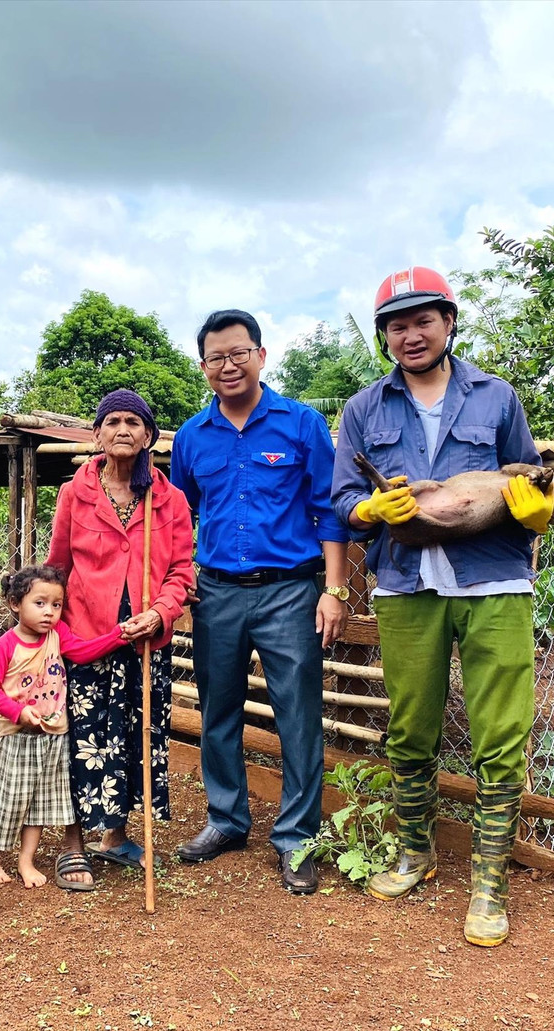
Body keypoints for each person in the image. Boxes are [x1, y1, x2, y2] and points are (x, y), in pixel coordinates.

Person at [330, 266, 552, 947]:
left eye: (424, 318)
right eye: (397, 323)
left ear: (449, 322)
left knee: (500, 732)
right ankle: (415, 850)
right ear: (384, 337)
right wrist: (370, 506)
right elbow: (341, 500)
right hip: (405, 584)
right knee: (413, 725)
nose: (411, 333)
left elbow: (529, 474)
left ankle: (489, 880)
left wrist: (533, 502)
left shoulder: (496, 397)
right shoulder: (365, 409)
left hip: (493, 581)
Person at [169, 309, 351, 894]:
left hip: (290, 591)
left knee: (298, 716)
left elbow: (328, 509)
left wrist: (333, 589)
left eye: (238, 353)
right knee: (217, 711)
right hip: (215, 591)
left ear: (261, 355)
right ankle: (226, 821)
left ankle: (298, 839)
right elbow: (181, 512)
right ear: (203, 367)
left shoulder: (301, 424)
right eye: (216, 357)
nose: (228, 365)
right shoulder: (193, 437)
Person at [45, 389, 195, 883]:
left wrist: (160, 613)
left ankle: (115, 834)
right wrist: (55, 628)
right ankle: (72, 843)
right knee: (80, 737)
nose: (123, 429)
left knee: (137, 732)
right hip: (87, 635)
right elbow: (58, 567)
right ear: (97, 434)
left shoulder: (168, 497)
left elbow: (180, 572)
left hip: (145, 639)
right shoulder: (75, 492)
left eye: (135, 422)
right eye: (113, 421)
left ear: (150, 435)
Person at [0, 566, 128, 889]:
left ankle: (26, 860)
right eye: (39, 603)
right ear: (15, 603)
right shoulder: (6, 645)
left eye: (56, 605)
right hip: (17, 739)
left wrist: (118, 636)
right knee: (8, 800)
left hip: (54, 737)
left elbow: (83, 653)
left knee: (38, 804)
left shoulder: (58, 637)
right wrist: (18, 712)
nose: (49, 612)